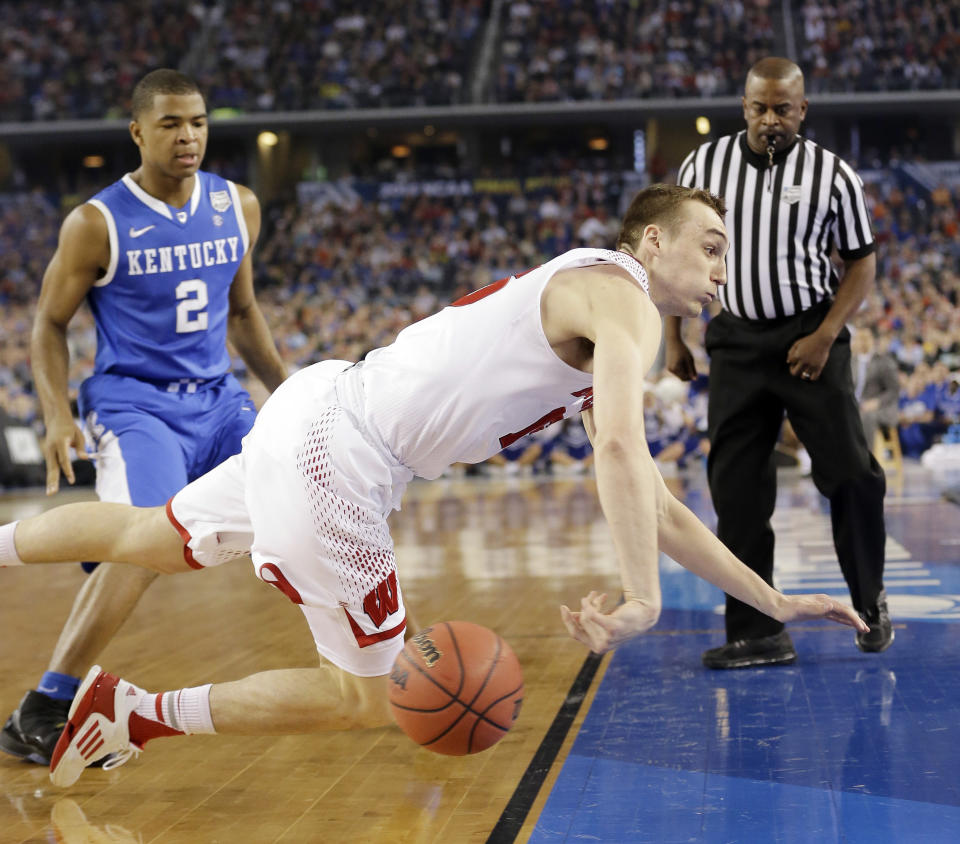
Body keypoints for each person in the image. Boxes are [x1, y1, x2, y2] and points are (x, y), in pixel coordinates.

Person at [0, 185, 867, 788]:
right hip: (339, 465)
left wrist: (774, 601)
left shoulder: (595, 292)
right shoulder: (627, 297)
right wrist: (642, 595)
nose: (723, 268)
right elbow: (617, 449)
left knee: (144, 537)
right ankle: (134, 711)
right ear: (652, 242)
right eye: (711, 246)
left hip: (324, 402)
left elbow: (659, 502)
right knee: (371, 698)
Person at [0, 69, 287, 766]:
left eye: (197, 122)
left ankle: (380, 659)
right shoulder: (95, 222)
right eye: (170, 124)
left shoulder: (238, 204)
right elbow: (48, 324)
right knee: (151, 540)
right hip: (136, 403)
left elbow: (243, 312)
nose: (187, 136)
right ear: (138, 131)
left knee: (303, 496)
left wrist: (288, 393)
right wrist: (58, 415)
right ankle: (44, 705)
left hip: (219, 401)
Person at [667, 57, 892, 669]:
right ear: (744, 106)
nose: (770, 119)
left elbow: (861, 263)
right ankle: (757, 630)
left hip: (809, 340)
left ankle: (869, 600)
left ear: (802, 110)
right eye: (759, 107)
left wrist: (825, 335)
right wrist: (673, 336)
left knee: (851, 473)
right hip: (736, 341)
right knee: (735, 490)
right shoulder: (701, 167)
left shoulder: (834, 176)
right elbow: (676, 253)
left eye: (782, 109)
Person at [851, 327, 900, 448]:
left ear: (872, 340)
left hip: (881, 407)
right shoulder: (851, 362)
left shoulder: (883, 362)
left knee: (865, 416)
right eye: (858, 339)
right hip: (856, 404)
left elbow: (894, 390)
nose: (861, 342)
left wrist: (877, 402)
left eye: (865, 338)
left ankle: (866, 458)